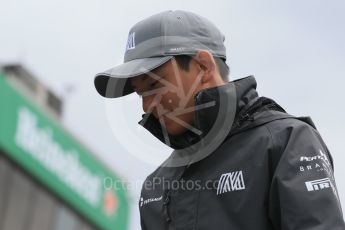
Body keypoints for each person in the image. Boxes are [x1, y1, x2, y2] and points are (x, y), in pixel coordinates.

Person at [94, 10, 345, 230]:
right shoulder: (154, 189)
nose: (147, 105)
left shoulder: (285, 142)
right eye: (141, 93)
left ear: (203, 67)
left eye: (154, 85)